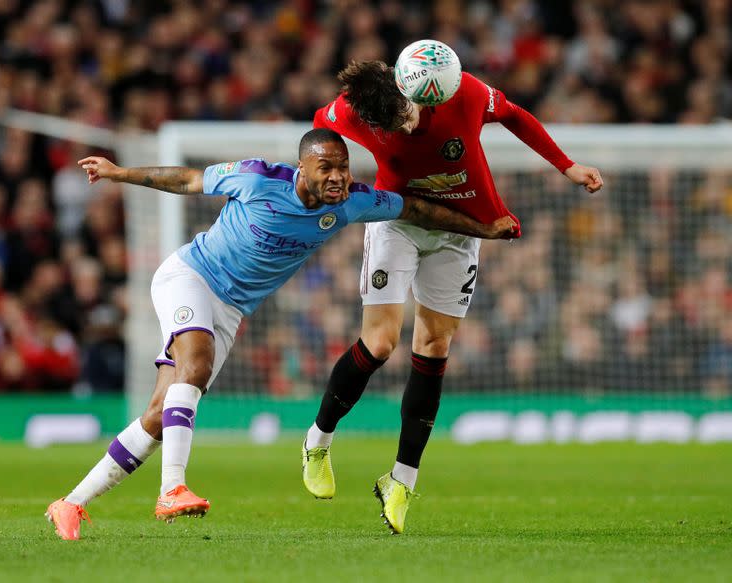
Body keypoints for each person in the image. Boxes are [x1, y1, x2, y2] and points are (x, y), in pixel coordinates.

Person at [45, 128, 518, 540]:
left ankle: (70, 503)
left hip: (231, 309)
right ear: (302, 168)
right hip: (190, 276)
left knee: (157, 416)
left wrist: (484, 228)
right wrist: (119, 172)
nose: (337, 177)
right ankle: (172, 489)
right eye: (326, 168)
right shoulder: (256, 178)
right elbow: (188, 180)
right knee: (196, 364)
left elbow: (417, 210)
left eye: (343, 168)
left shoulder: (353, 201)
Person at [302, 59, 604, 534]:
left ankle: (400, 480)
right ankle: (318, 440)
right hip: (398, 224)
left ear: (416, 93)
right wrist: (331, 174)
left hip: (459, 233)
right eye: (393, 125)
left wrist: (567, 166)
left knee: (434, 348)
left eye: (407, 113)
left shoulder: (459, 91)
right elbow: (320, 128)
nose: (405, 124)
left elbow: (515, 116)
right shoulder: (353, 112)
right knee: (380, 344)